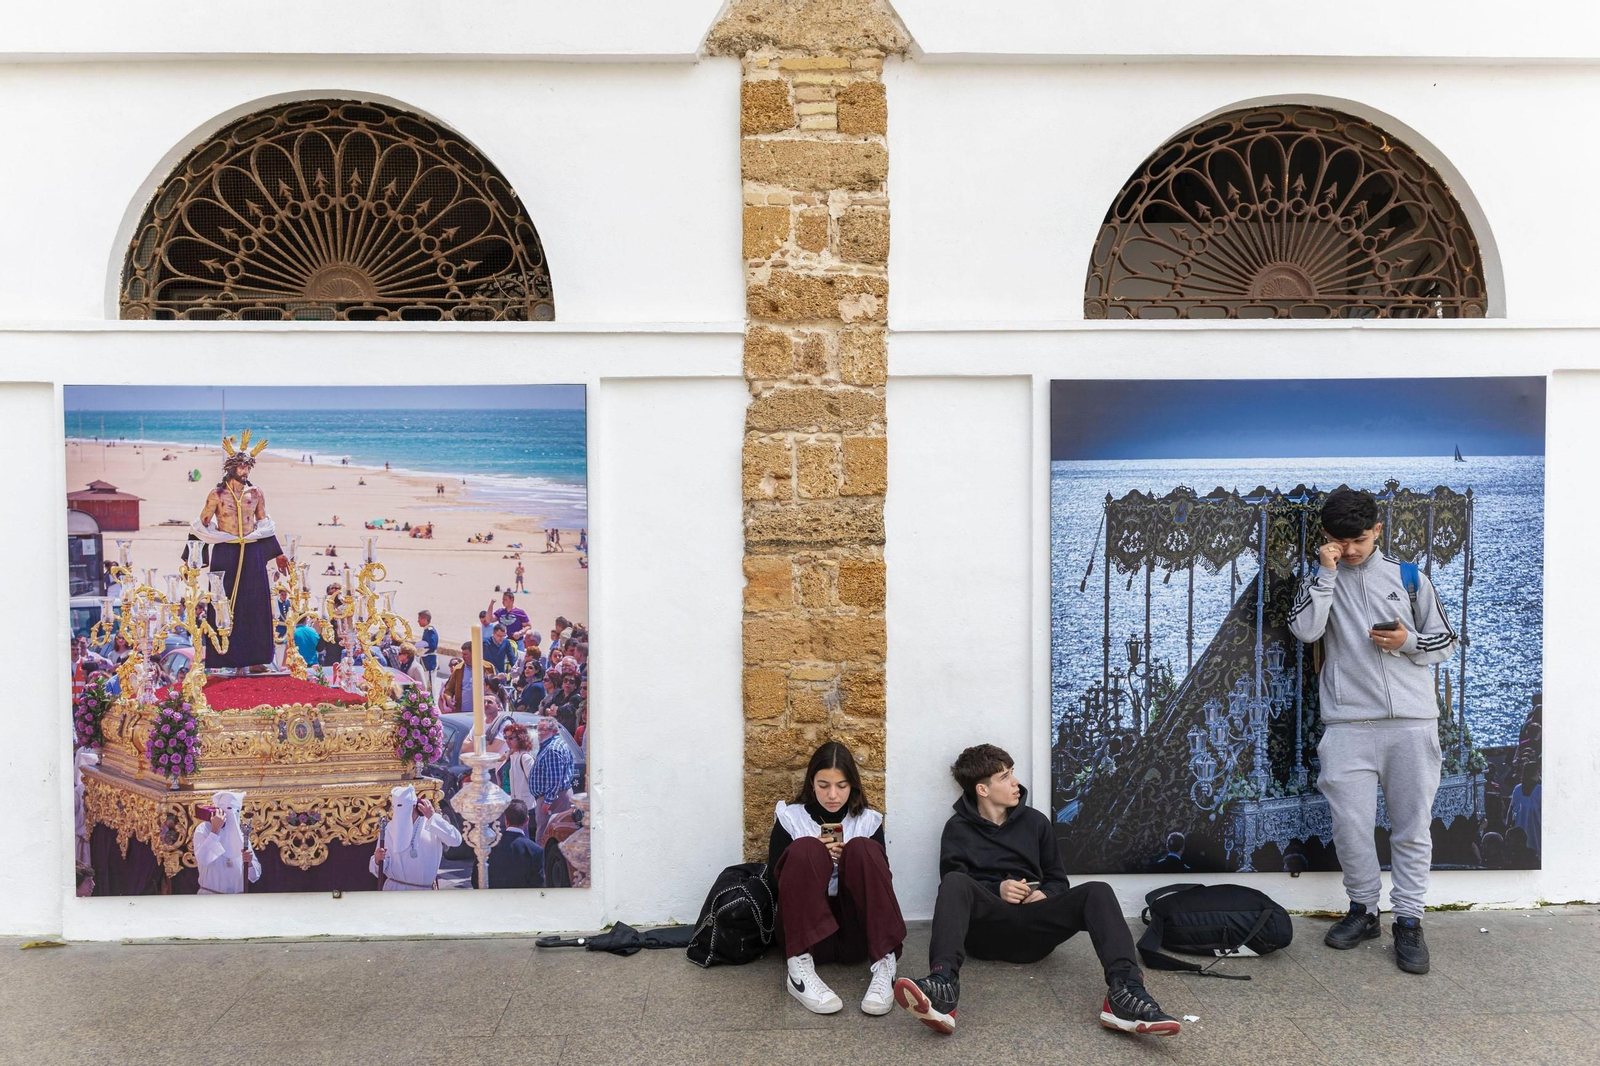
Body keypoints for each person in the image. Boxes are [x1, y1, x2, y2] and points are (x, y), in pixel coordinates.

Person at [893, 744, 1179, 1037]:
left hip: (1035, 931)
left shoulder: (1035, 823)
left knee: (1098, 891)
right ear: (982, 789)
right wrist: (997, 889)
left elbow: (1057, 878)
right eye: (1004, 777)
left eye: (1012, 773)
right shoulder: (957, 829)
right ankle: (942, 986)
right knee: (954, 882)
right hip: (986, 933)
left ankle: (1125, 993)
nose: (1015, 782)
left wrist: (1048, 894)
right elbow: (955, 888)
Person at [1288, 488, 1458, 975]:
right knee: (1351, 828)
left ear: (1377, 531)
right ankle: (1364, 911)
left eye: (1359, 539)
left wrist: (1409, 642)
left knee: (1411, 828)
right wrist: (1326, 573)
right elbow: (1304, 631)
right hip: (1347, 724)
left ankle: (1409, 920)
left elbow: (1446, 641)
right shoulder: (1321, 579)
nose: (1352, 548)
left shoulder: (1409, 577)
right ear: (1326, 537)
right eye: (1340, 540)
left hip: (1412, 723)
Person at [770, 741, 906, 1017]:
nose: (833, 795)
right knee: (806, 847)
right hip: (803, 936)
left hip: (856, 934)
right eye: (823, 785)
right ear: (811, 782)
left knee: (862, 848)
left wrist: (847, 862)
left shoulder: (868, 821)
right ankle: (798, 974)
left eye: (841, 786)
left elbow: (881, 882)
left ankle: (885, 962)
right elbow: (775, 885)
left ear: (852, 785)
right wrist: (815, 854)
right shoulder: (790, 817)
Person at [190, 430, 289, 673]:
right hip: (226, 551)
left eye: (248, 467)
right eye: (242, 467)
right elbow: (201, 525)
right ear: (232, 467)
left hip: (252, 551)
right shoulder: (217, 494)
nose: (245, 472)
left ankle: (256, 660)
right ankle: (226, 659)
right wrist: (193, 558)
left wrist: (278, 553)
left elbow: (264, 525)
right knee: (223, 602)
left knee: (255, 603)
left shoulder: (256, 494)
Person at [371, 786, 461, 890]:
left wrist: (433, 817)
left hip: (425, 892)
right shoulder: (389, 829)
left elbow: (456, 841)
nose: (399, 810)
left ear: (414, 806)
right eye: (396, 807)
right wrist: (377, 860)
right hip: (396, 891)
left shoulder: (432, 823)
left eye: (402, 806)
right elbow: (379, 868)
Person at [194, 791, 260, 894]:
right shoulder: (204, 829)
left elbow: (254, 876)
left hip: (237, 901)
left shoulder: (241, 834)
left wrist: (250, 862)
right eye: (228, 809)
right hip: (210, 899)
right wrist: (215, 830)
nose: (231, 814)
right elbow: (203, 859)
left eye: (235, 810)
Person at [471, 799, 544, 889]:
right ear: (527, 820)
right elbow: (537, 886)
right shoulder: (535, 851)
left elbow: (476, 880)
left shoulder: (488, 846)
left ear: (506, 820)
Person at [528, 717, 576, 845]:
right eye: (538, 729)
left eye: (543, 730)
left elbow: (554, 778)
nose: (539, 733)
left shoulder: (552, 749)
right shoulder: (553, 745)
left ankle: (542, 863)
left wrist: (548, 801)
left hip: (553, 798)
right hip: (556, 795)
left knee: (544, 834)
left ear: (554, 731)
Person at [1505, 760, 1542, 856]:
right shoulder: (1540, 790)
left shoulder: (1518, 788)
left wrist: (1508, 825)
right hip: (1532, 827)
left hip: (1528, 826)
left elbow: (1511, 810)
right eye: (1538, 771)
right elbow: (1512, 808)